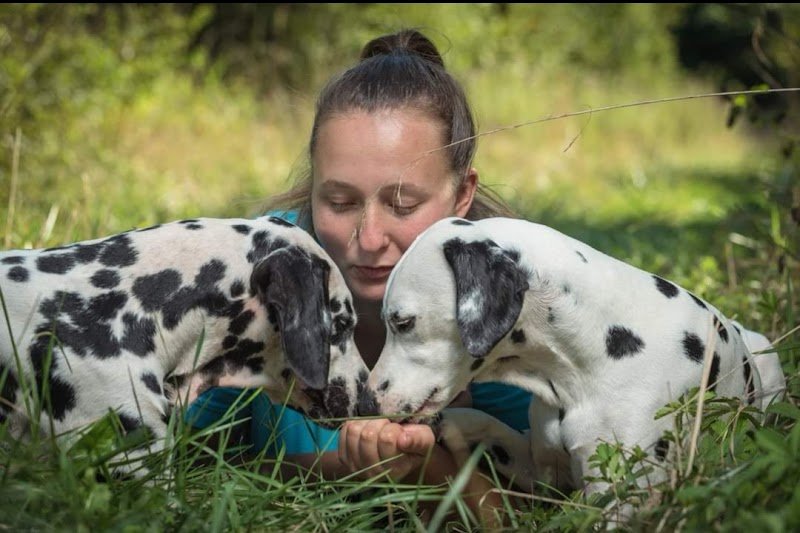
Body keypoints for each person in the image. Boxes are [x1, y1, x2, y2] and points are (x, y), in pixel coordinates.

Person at [186, 28, 532, 520]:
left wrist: (431, 473)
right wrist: (338, 468)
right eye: (340, 202)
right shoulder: (263, 277)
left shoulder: (501, 298)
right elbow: (187, 464)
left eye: (402, 203)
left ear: (462, 195)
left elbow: (547, 501)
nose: (369, 239)